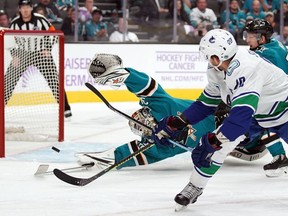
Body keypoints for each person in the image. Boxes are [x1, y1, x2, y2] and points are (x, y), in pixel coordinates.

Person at [152, 28, 288, 210]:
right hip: (259, 115)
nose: (207, 60)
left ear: (216, 56)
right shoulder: (217, 68)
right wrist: (177, 122)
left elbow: (240, 118)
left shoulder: (246, 68)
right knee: (217, 149)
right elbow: (206, 103)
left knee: (215, 144)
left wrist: (213, 141)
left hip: (284, 111)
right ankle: (195, 186)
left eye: (208, 56)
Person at [76, 53, 268, 170]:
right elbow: (136, 153)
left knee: (251, 118)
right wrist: (105, 158)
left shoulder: (164, 108)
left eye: (141, 122)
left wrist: (121, 73)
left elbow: (148, 87)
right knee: (245, 132)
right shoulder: (162, 142)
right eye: (140, 128)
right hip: (239, 144)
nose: (144, 128)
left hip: (231, 118)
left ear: (147, 113)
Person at [6, 0, 72, 118]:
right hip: (22, 54)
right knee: (8, 81)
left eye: (27, 7)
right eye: (23, 7)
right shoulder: (14, 23)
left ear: (31, 8)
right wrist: (14, 54)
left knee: (54, 81)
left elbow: (53, 33)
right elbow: (10, 40)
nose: (25, 10)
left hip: (41, 53)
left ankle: (65, 108)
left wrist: (47, 48)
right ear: (19, 9)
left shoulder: (41, 19)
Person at [243, 18, 288, 176]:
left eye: (250, 36)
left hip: (281, 97)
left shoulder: (267, 53)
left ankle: (279, 156)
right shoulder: (273, 44)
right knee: (260, 124)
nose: (247, 39)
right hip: (278, 96)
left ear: (261, 38)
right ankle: (279, 156)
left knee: (271, 123)